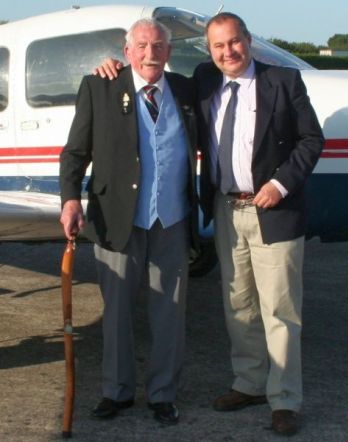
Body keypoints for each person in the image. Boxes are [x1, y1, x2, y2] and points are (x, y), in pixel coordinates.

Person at [94, 12, 324, 436]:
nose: (228, 52)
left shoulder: (283, 81)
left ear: (249, 41)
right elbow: (145, 71)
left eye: (234, 42)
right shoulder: (203, 79)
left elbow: (312, 139)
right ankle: (250, 383)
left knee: (280, 309)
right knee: (238, 304)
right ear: (209, 51)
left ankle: (285, 398)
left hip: (273, 209)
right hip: (224, 208)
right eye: (218, 46)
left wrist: (279, 184)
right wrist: (111, 65)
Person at [59, 18, 198, 426]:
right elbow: (75, 152)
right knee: (117, 311)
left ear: (169, 52)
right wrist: (70, 199)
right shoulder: (99, 86)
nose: (150, 53)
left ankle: (162, 394)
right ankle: (116, 392)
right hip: (116, 218)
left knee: (170, 313)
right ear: (127, 50)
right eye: (141, 46)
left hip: (171, 219)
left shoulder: (187, 91)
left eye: (158, 45)